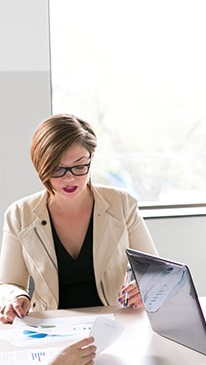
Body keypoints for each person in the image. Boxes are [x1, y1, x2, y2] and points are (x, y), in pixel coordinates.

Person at [0, 113, 158, 323]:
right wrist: (15, 297)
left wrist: (145, 287)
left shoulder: (122, 204)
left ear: (91, 158)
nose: (69, 177)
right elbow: (9, 284)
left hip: (114, 323)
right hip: (48, 327)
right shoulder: (20, 213)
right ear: (41, 166)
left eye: (79, 165)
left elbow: (155, 271)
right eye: (58, 169)